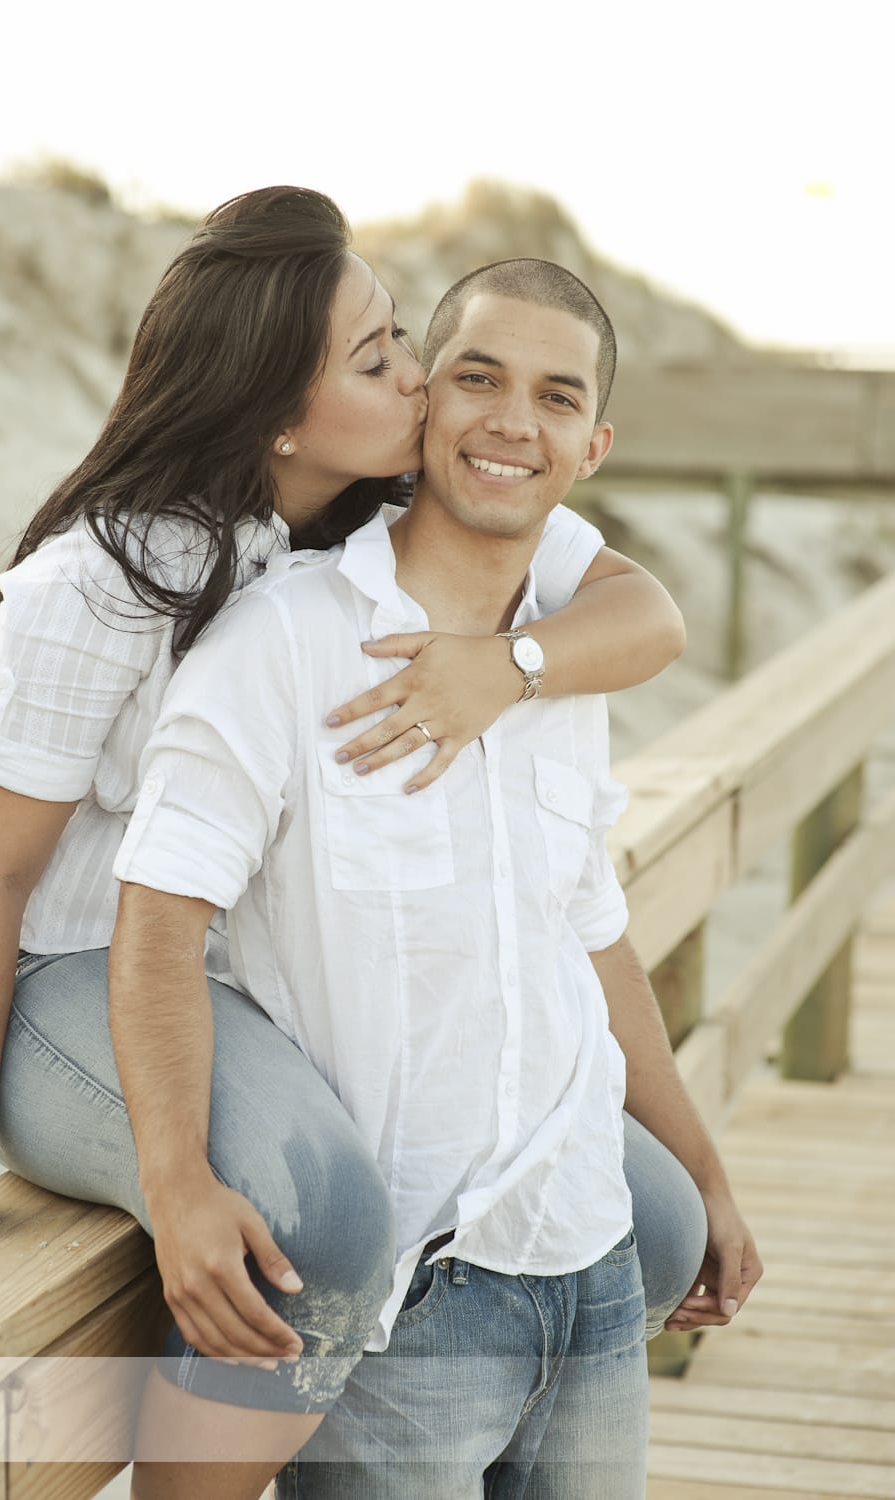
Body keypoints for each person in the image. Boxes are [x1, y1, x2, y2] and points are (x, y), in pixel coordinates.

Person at [0, 188, 714, 1498]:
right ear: (281, 403)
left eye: (402, 343)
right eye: (380, 356)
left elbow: (649, 613)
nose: (415, 382)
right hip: (74, 985)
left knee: (652, 1220)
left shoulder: (370, 515)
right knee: (324, 1220)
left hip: (246, 983)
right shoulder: (96, 582)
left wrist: (508, 666)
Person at [110, 258, 760, 1497]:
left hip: (590, 1266)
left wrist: (705, 1179)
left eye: (554, 398)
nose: (512, 421)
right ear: (425, 409)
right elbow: (156, 922)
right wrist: (176, 1182)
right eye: (477, 378)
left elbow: (591, 940)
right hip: (414, 1300)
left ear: (591, 445)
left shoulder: (560, 664)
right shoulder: (285, 645)